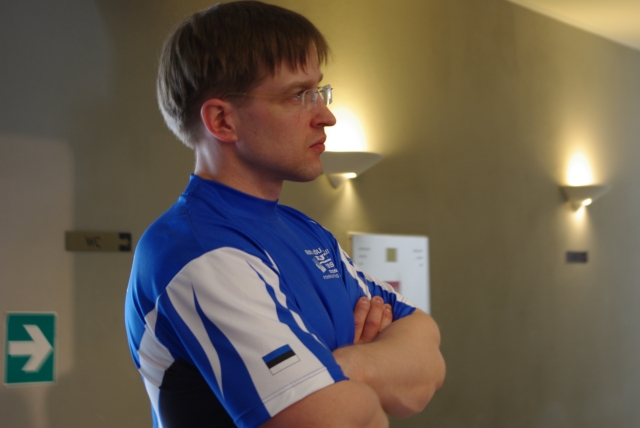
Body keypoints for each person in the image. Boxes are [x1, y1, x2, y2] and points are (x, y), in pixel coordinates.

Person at [124, 2, 445, 427]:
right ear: (222, 120)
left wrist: (342, 367)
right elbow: (340, 420)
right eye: (298, 95)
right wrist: (374, 370)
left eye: (320, 91)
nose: (326, 116)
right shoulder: (197, 252)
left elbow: (426, 364)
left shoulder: (307, 232)